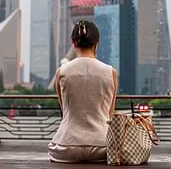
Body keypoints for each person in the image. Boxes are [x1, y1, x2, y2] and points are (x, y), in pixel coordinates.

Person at [48, 20, 118, 163]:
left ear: (73, 43)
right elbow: (109, 113)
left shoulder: (61, 72)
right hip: (103, 147)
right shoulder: (110, 72)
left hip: (65, 148)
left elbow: (65, 111)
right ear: (97, 43)